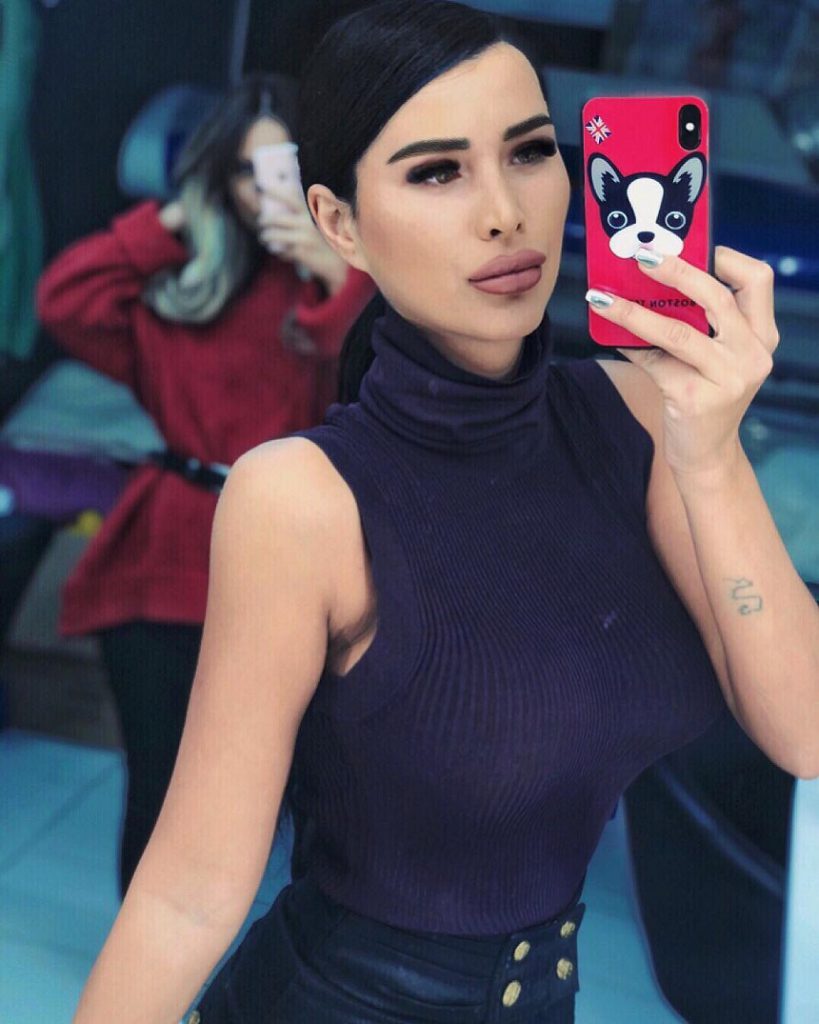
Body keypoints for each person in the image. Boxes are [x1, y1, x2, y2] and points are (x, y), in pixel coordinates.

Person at [72, 3, 819, 1022]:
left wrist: (713, 451)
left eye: (529, 152)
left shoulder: (645, 414)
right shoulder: (300, 497)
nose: (505, 212)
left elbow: (806, 733)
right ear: (339, 223)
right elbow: (189, 892)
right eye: (436, 172)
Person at [36, 73, 374, 897]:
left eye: (284, 173)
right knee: (159, 789)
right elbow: (66, 299)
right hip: (165, 557)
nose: (266, 195)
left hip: (286, 570)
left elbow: (375, 381)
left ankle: (244, 959)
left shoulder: (348, 299)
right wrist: (177, 216)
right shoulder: (184, 291)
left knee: (274, 801)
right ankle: (149, 966)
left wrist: (336, 274)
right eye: (246, 173)